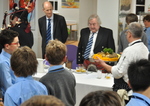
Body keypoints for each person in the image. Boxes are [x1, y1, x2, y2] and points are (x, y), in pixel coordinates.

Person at [95, 22, 149, 92]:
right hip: (141, 86)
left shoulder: (129, 50)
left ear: (129, 34)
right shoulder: (145, 48)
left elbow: (118, 73)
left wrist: (102, 64)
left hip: (127, 87)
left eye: (127, 33)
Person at [39, 40, 76, 106]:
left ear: (46, 58)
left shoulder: (44, 80)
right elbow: (73, 99)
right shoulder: (70, 75)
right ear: (65, 58)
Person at [0, 29, 19, 97]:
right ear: (7, 46)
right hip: (11, 97)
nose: (19, 45)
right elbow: (8, 86)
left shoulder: (12, 57)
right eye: (16, 43)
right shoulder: (3, 63)